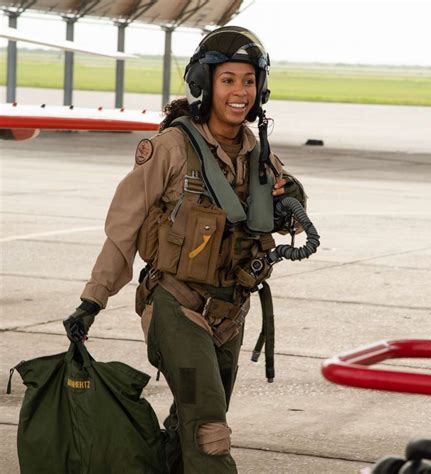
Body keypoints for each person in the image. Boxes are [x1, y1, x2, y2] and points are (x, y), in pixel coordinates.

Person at [64, 26, 307, 474]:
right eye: (228, 79)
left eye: (249, 80)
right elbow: (124, 227)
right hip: (177, 306)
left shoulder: (260, 156)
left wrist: (289, 199)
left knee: (186, 426)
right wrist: (91, 300)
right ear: (206, 83)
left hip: (231, 314)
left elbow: (290, 219)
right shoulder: (171, 148)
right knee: (209, 429)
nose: (240, 91)